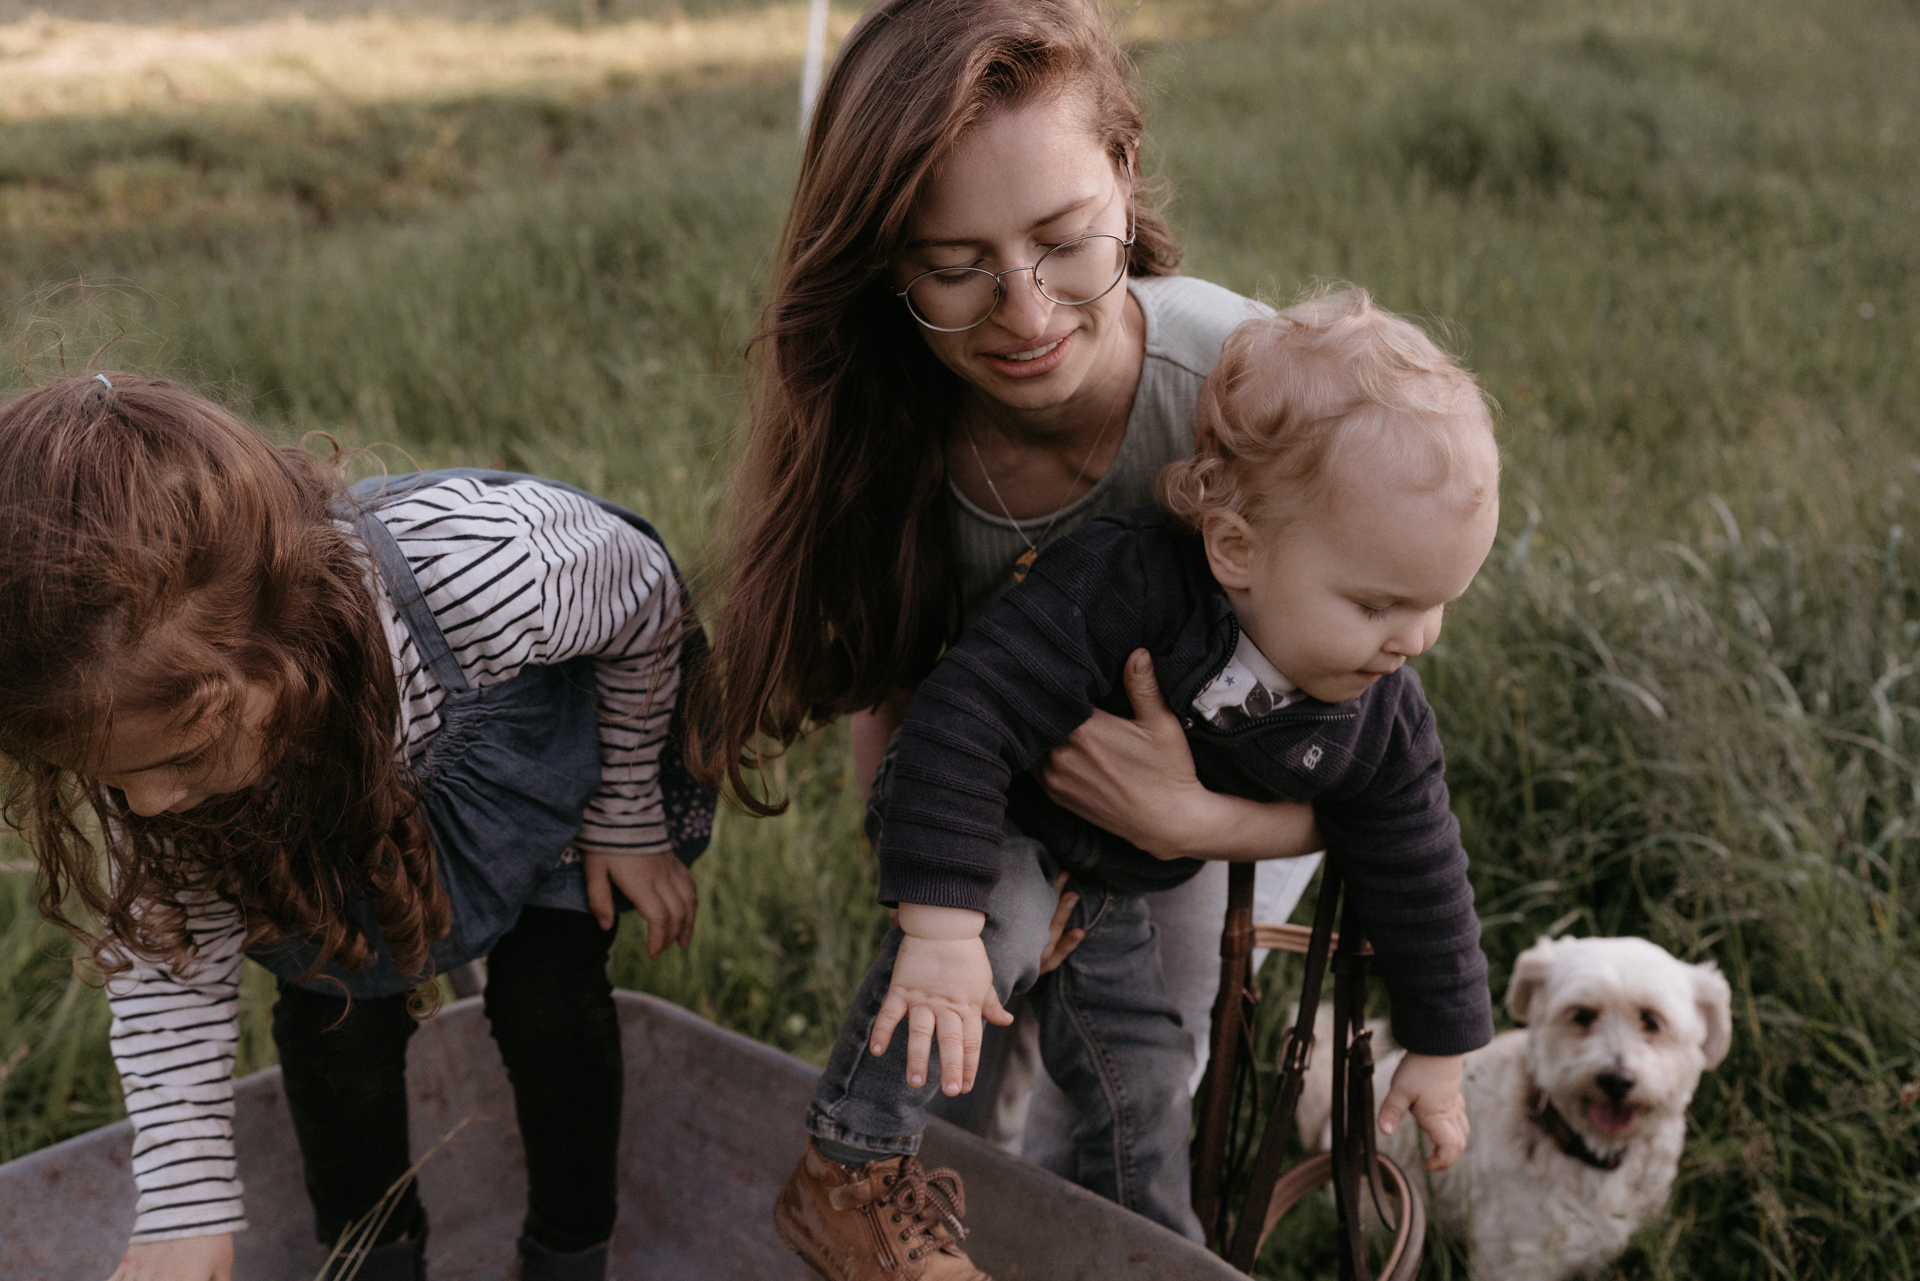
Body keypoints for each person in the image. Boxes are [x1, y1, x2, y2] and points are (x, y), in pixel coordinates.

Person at [692, 0, 1323, 1214]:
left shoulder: (1248, 399)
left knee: (1139, 1077)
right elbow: (897, 679)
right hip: (985, 780)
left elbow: (1374, 762)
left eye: (1063, 242)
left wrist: (1189, 817)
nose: (1026, 316)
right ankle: (928, 1215)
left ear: (1125, 178)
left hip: (1239, 792)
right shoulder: (883, 430)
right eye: (954, 268)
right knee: (956, 1046)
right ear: (889, 264)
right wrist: (933, 883)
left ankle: (1079, 1233)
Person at [777, 289, 1500, 1280]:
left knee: (1145, 1076)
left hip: (1108, 878)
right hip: (991, 810)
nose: (1412, 640)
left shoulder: (1380, 708)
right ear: (1237, 548)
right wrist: (939, 925)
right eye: (1381, 603)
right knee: (993, 934)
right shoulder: (1124, 582)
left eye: (1437, 605)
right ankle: (846, 1170)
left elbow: (1420, 863)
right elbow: (966, 712)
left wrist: (1441, 1052)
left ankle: (1149, 1252)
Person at [0, 374, 716, 1281]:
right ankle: (372, 1261)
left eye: (181, 758)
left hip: (534, 797)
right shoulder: (150, 743)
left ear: (281, 650)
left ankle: (569, 1253)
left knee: (552, 1008)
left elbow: (643, 596)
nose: (143, 804)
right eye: (109, 779)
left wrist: (627, 814)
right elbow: (168, 970)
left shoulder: (483, 571)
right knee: (336, 1036)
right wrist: (182, 1206)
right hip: (332, 862)